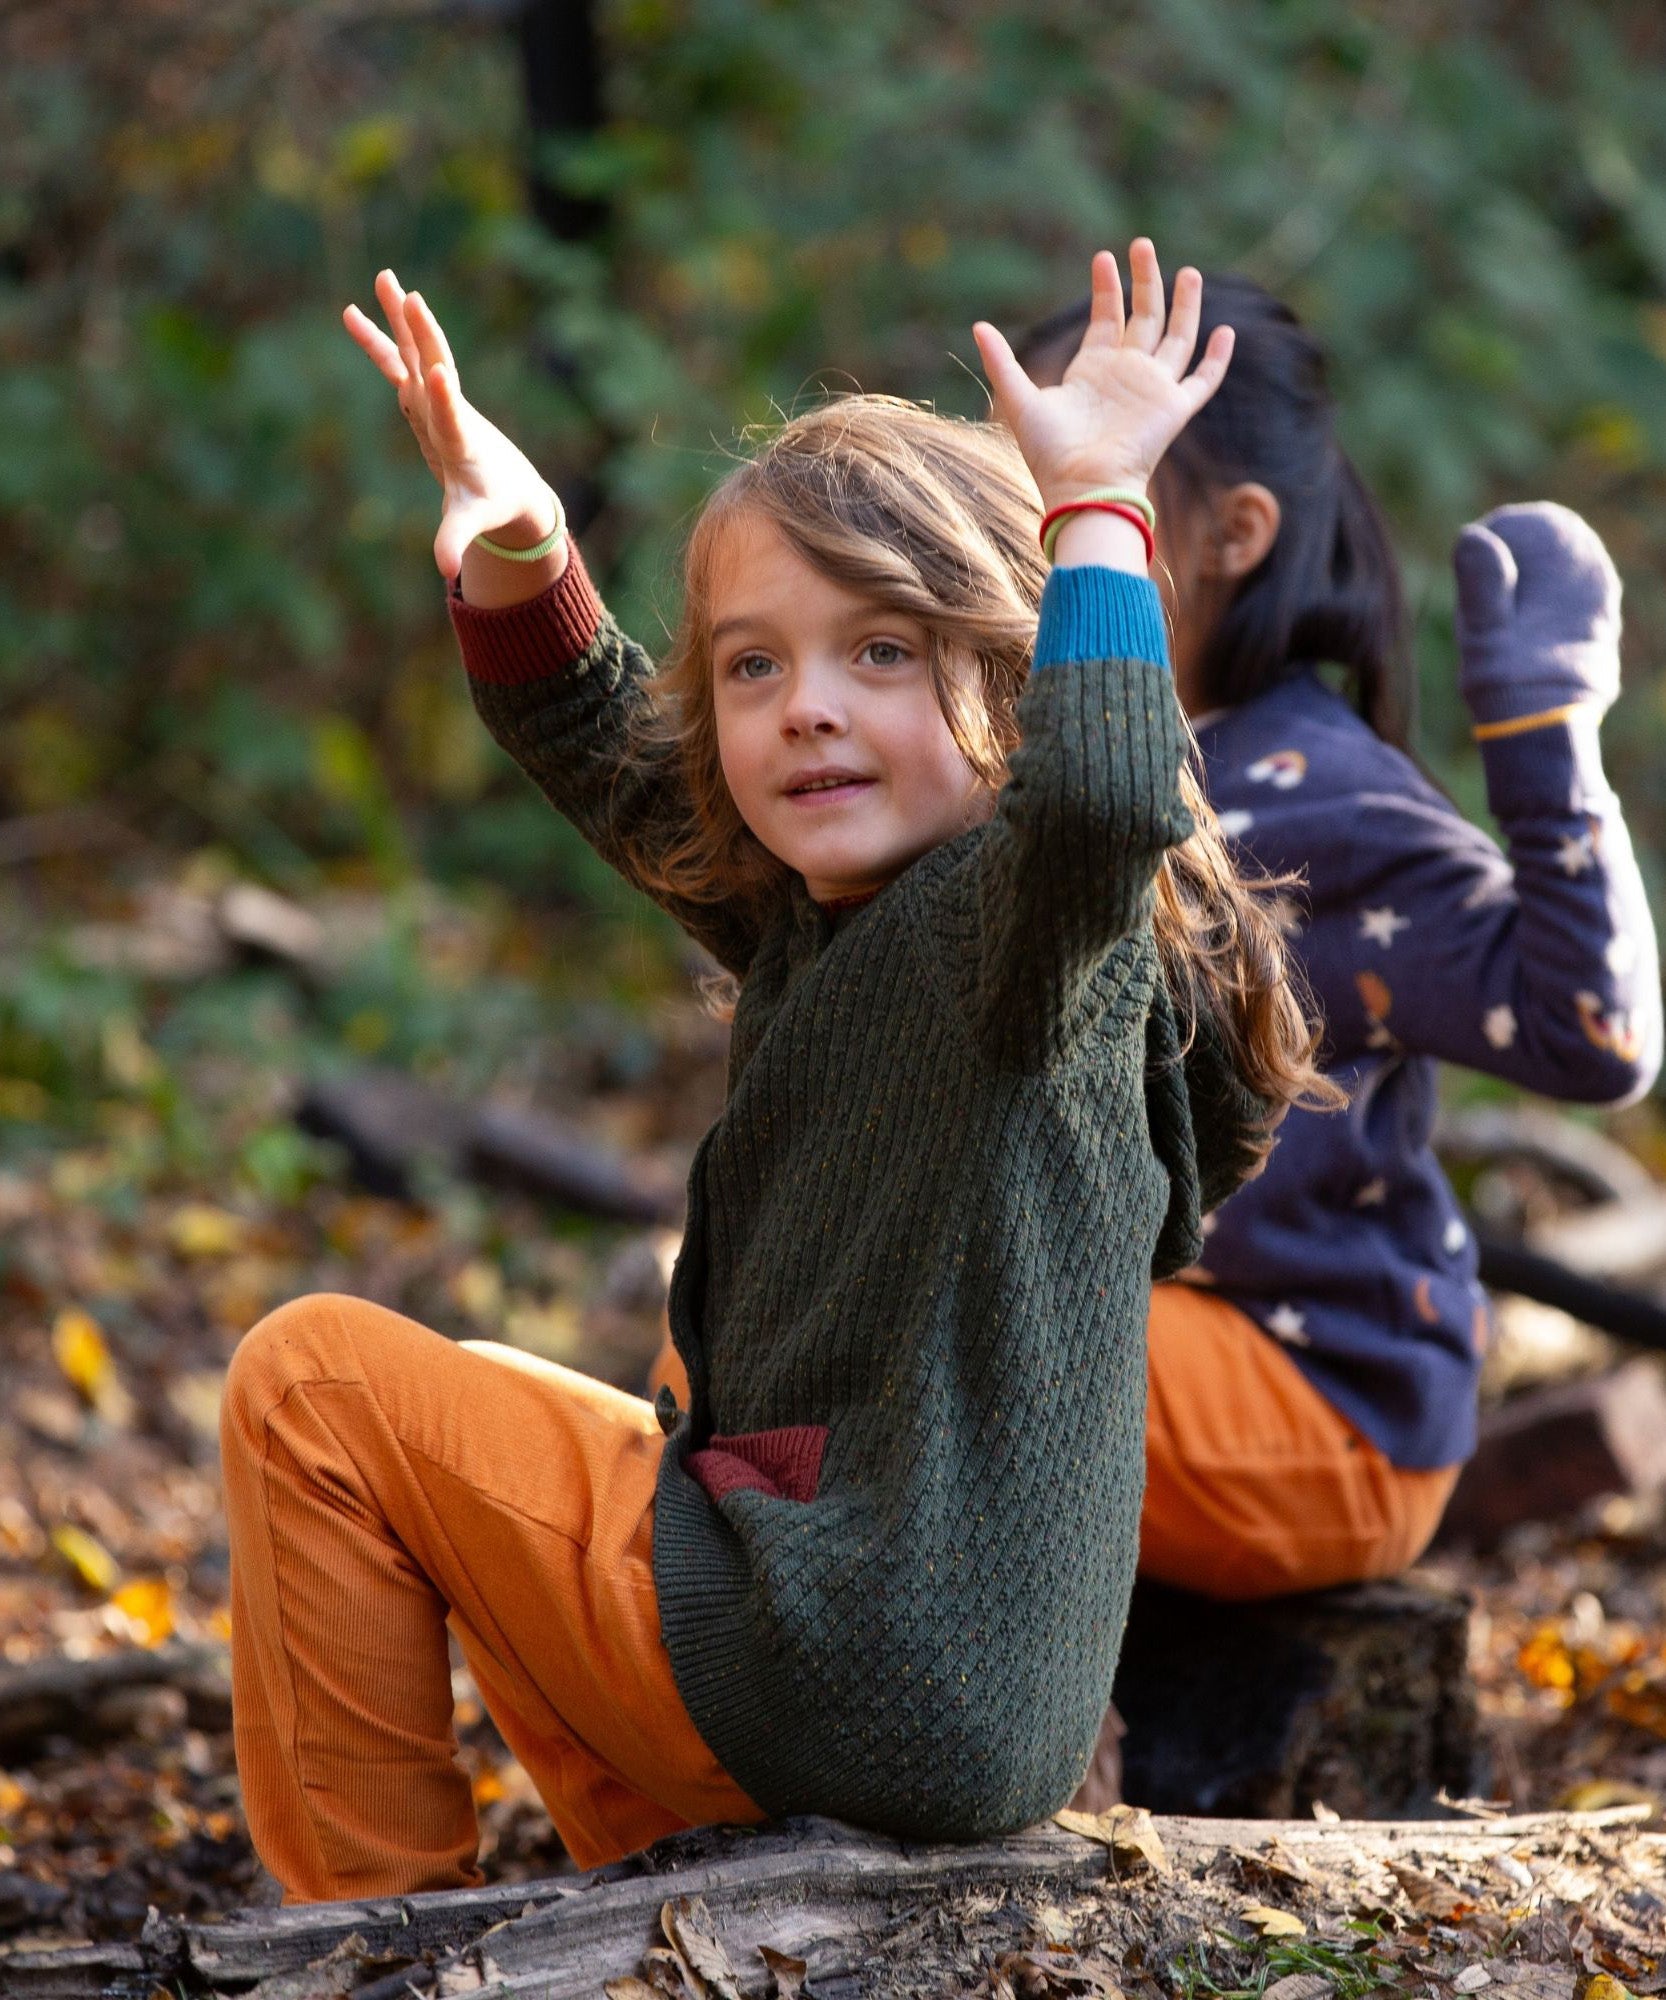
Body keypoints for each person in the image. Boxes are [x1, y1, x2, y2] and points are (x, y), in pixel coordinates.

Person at [220, 243, 1331, 1901]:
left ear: (1010, 682)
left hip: (860, 1659)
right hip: (899, 1676)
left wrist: (1098, 510)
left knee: (315, 1385)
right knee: (551, 1429)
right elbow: (625, 776)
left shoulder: (1011, 947)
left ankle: (367, 1937)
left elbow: (1103, 805)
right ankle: (674, 1878)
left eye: (879, 652)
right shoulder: (853, 923)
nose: (803, 709)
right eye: (752, 664)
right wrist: (527, 552)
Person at [1012, 274, 1662, 1611]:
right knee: (733, 1357)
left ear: (1230, 533)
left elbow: (1589, 1035)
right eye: (1012, 466)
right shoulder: (1034, 768)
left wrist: (1542, 753)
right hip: (1121, 1346)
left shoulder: (1309, 801)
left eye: (1088, 475)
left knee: (922, 1355)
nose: (1023, 516)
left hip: (1319, 1401)